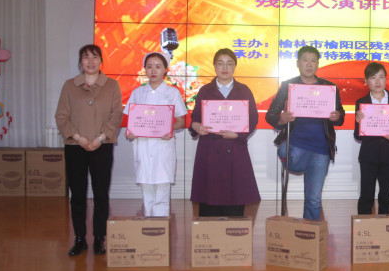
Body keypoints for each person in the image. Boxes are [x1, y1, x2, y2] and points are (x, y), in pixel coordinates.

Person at [55, 44, 123, 257]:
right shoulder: (69, 86)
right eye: (86, 57)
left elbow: (116, 115)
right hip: (75, 146)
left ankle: (100, 238)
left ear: (101, 61)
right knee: (77, 195)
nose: (90, 61)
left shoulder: (112, 85)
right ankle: (79, 239)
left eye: (95, 57)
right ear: (80, 62)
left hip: (102, 146)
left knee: (101, 194)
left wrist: (100, 138)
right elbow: (61, 116)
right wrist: (78, 137)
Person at [266, 46, 345, 220]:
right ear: (297, 63)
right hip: (296, 145)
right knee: (283, 150)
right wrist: (281, 119)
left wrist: (337, 116)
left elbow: (341, 116)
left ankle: (309, 233)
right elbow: (271, 115)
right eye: (305, 60)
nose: (309, 64)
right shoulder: (288, 86)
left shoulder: (329, 87)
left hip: (321, 150)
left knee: (314, 199)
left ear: (318, 64)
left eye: (313, 60)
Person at [189, 48, 260, 217]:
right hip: (209, 150)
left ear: (235, 66)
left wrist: (238, 135)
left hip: (235, 148)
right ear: (214, 66)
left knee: (235, 202)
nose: (225, 68)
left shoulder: (244, 90)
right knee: (208, 201)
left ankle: (233, 233)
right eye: (220, 63)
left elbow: (253, 118)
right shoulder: (205, 90)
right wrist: (196, 126)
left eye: (229, 64)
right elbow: (195, 118)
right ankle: (209, 233)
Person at [124, 52, 187, 217]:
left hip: (163, 146)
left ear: (165, 70)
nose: (153, 71)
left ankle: (160, 225)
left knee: (162, 189)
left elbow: (181, 121)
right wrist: (130, 132)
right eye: (149, 67)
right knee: (147, 189)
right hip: (143, 147)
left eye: (158, 67)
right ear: (144, 69)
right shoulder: (137, 93)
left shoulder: (172, 93)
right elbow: (131, 122)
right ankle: (148, 223)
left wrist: (169, 129)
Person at [353, 62, 389, 215]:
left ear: (386, 79)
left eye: (381, 77)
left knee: (386, 196)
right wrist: (359, 123)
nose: (377, 81)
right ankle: (364, 227)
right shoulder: (361, 102)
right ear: (366, 81)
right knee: (366, 196)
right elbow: (357, 136)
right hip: (369, 156)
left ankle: (385, 226)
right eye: (373, 77)